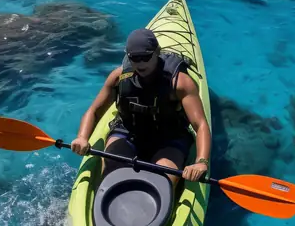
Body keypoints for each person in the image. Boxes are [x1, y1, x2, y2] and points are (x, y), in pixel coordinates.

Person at [71, 27, 211, 184]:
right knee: (112, 175)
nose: (140, 63)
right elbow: (94, 111)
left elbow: (200, 125)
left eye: (146, 57)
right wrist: (82, 137)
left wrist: (201, 161)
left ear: (157, 52)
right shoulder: (119, 77)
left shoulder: (179, 83)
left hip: (169, 138)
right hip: (128, 133)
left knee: (161, 181)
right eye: (134, 58)